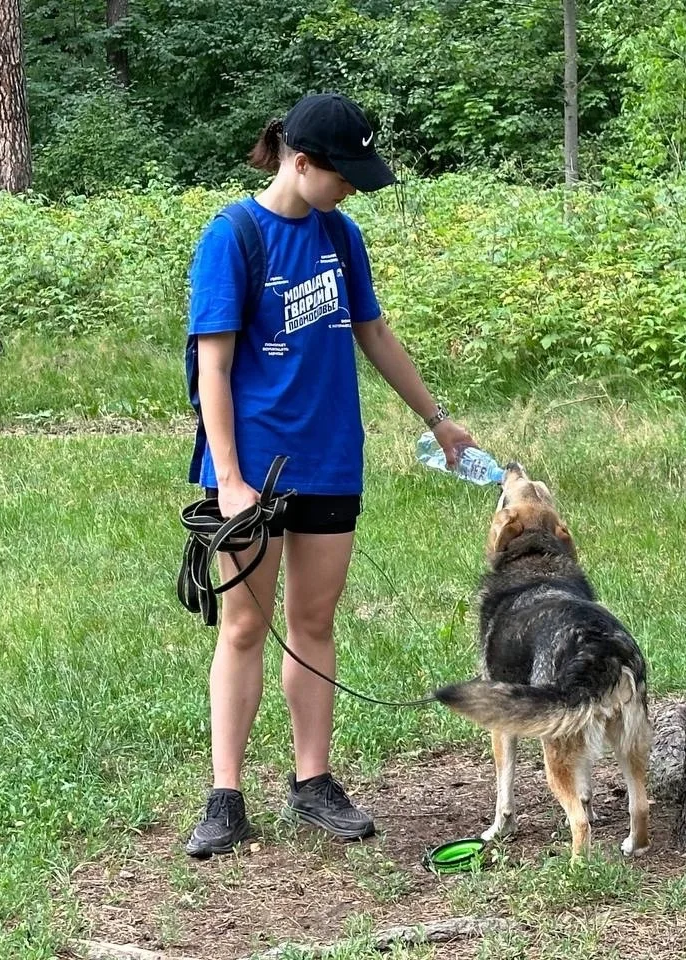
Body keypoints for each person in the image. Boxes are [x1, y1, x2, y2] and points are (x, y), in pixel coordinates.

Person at [183, 92, 475, 858]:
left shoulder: (341, 237)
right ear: (301, 161)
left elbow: (372, 332)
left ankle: (313, 783)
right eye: (342, 175)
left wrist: (438, 420)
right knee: (245, 625)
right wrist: (230, 478)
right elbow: (213, 368)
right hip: (252, 473)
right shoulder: (233, 238)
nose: (349, 189)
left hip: (331, 459)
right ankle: (225, 796)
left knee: (314, 623)